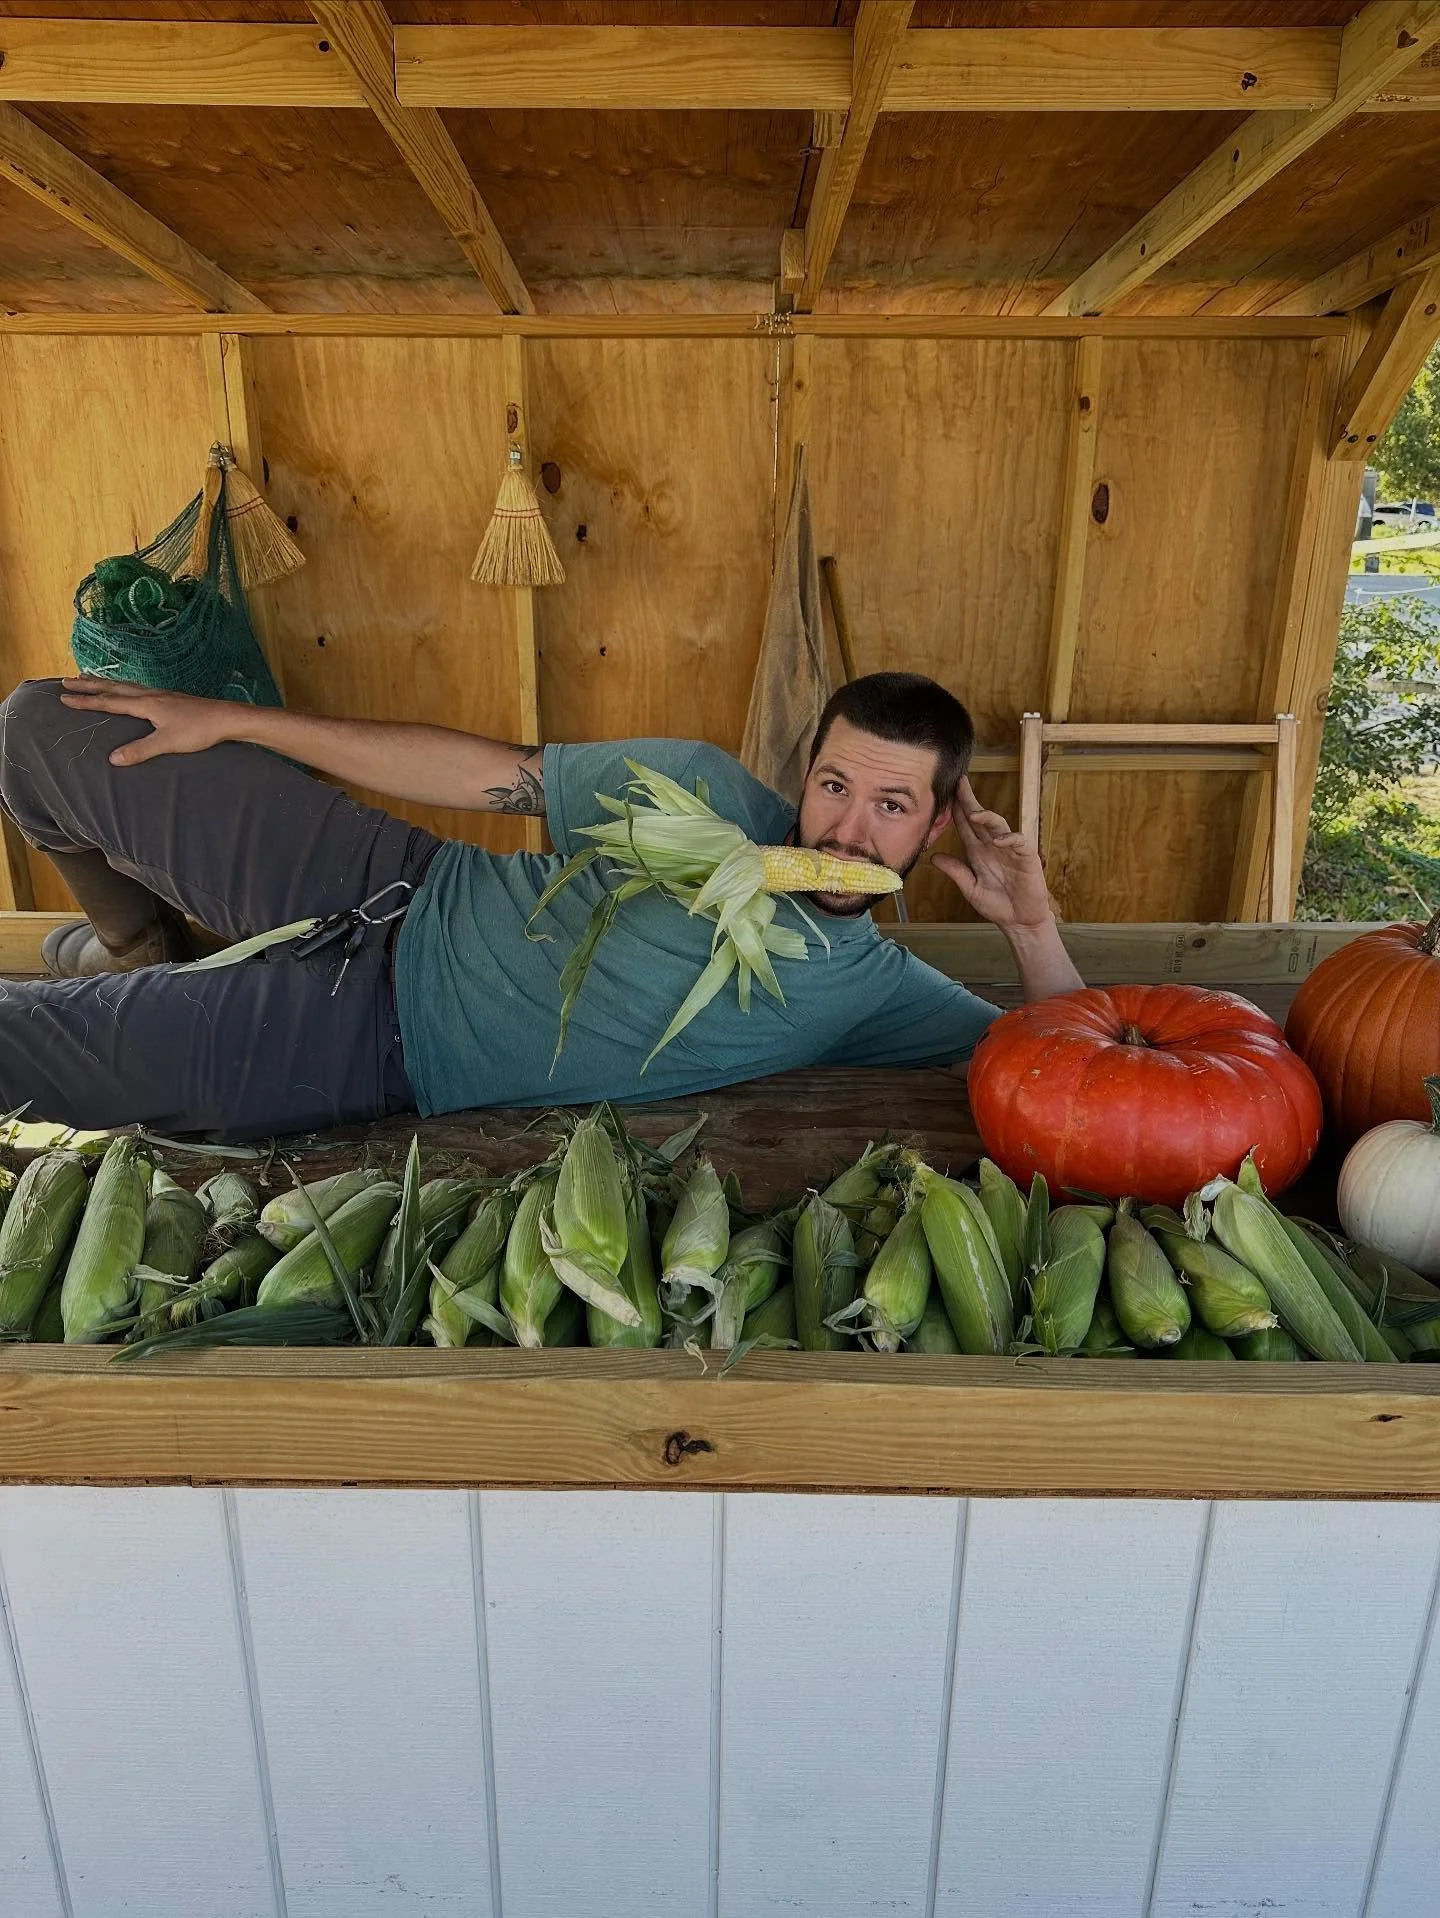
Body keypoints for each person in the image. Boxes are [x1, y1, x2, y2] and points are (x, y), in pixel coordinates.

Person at [0, 670, 1082, 1139]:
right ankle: (139, 944)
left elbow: (1080, 1075)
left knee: (21, 1046)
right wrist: (237, 720)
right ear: (805, 770)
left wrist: (1032, 928)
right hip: (392, 876)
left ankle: (157, 984)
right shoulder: (699, 785)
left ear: (936, 829)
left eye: (892, 806)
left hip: (368, 1042)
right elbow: (486, 775)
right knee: (43, 722)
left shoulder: (874, 990)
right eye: (835, 785)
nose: (847, 832)